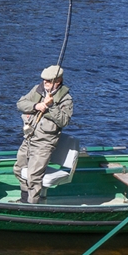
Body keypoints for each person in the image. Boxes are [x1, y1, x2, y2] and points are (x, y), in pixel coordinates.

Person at [14, 65, 74, 204]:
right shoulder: (38, 89)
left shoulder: (66, 99)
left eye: (48, 81)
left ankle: (32, 205)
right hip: (29, 137)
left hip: (45, 143)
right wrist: (36, 106)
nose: (45, 83)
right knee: (18, 169)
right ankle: (24, 199)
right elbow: (20, 104)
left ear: (58, 81)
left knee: (33, 176)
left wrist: (51, 106)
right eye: (44, 80)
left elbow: (64, 121)